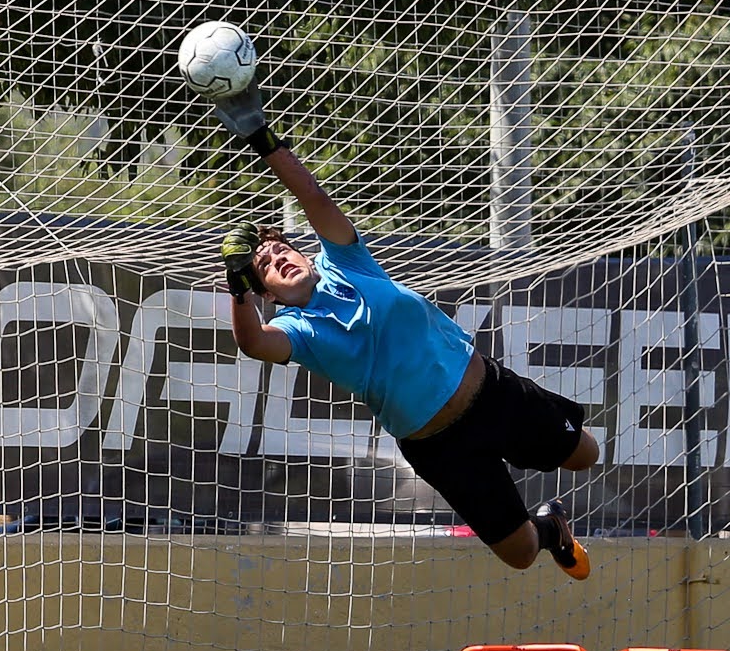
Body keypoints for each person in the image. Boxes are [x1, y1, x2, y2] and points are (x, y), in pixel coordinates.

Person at [206, 77, 601, 576]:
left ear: (300, 251)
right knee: (521, 554)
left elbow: (311, 195)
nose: (278, 258)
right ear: (265, 292)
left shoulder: (345, 261)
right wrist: (236, 286)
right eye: (264, 265)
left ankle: (544, 475)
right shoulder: (297, 330)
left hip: (492, 396)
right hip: (438, 446)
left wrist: (260, 136)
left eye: (281, 248)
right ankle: (551, 527)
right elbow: (253, 343)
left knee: (585, 454)